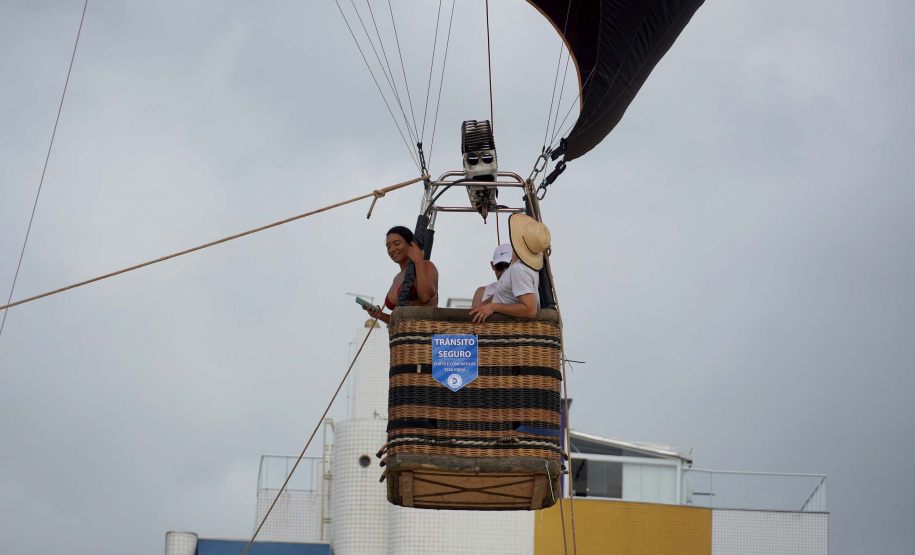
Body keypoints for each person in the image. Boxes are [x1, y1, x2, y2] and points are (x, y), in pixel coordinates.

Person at [469, 214, 551, 323]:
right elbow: (501, 295)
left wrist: (494, 307)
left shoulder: (519, 270)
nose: (503, 270)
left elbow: (530, 310)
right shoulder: (518, 267)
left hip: (503, 332)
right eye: (499, 267)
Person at [362, 226, 439, 324]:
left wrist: (418, 261)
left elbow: (425, 297)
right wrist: (380, 316)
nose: (392, 249)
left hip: (425, 334)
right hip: (401, 337)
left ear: (411, 245)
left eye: (396, 244)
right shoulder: (397, 278)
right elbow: (400, 321)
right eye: (388, 247)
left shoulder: (427, 266)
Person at [471, 243, 513, 308]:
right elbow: (474, 311)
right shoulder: (482, 292)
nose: (504, 271)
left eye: (508, 266)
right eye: (499, 267)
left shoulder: (524, 289)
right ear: (492, 266)